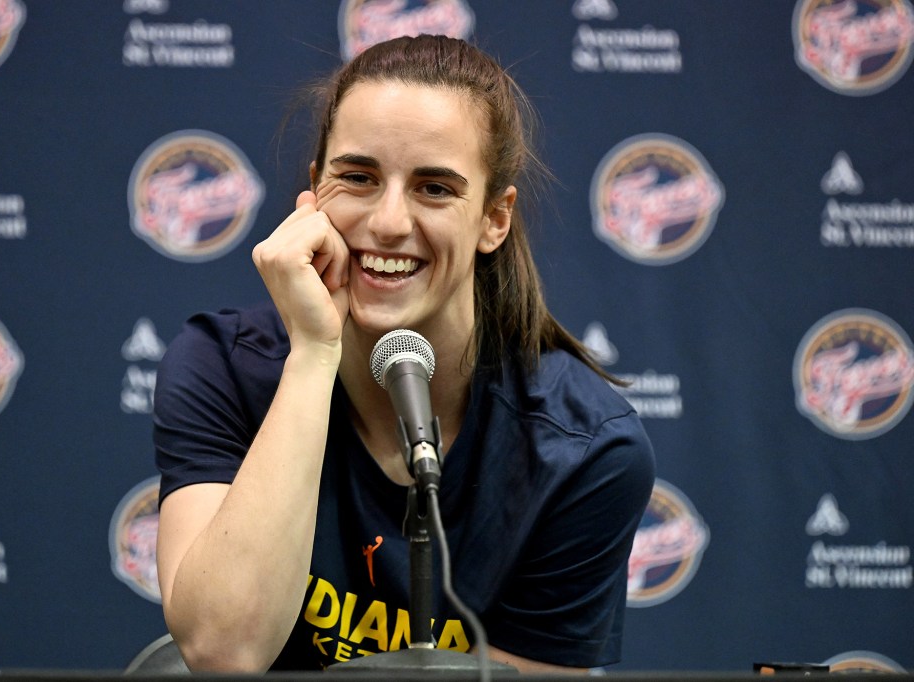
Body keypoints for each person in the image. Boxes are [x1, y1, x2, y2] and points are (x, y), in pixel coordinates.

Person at [153, 34, 656, 674]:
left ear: (494, 219)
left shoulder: (584, 449)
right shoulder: (220, 367)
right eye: (358, 178)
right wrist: (312, 353)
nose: (389, 221)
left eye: (435, 188)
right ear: (313, 191)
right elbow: (225, 651)